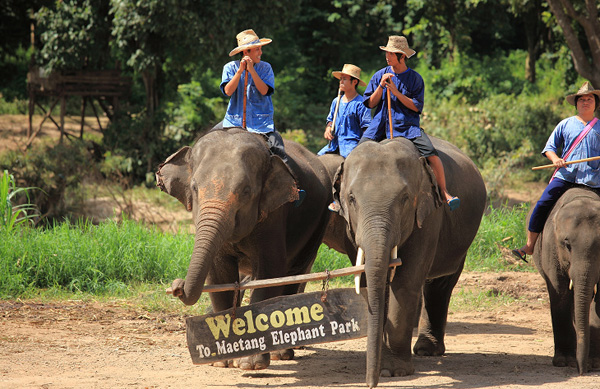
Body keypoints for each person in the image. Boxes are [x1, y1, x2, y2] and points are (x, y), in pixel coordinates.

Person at [360, 35, 460, 210]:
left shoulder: (415, 79)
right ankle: (342, 196)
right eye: (387, 53)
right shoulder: (379, 75)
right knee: (357, 153)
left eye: (391, 54)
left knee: (432, 154)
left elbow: (416, 106)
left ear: (402, 56)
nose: (387, 56)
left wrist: (396, 93)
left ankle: (444, 192)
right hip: (380, 126)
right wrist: (381, 87)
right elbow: (370, 103)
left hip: (407, 126)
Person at [512, 81, 600, 262]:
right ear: (576, 104)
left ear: (595, 103)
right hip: (566, 175)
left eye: (589, 98)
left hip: (594, 178)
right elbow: (550, 148)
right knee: (543, 203)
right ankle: (529, 246)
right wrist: (555, 159)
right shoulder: (565, 124)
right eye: (581, 99)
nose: (585, 102)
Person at [220, 29, 305, 205]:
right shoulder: (230, 68)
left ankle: (292, 190)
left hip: (261, 123)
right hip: (233, 121)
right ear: (246, 52)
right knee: (207, 143)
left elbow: (264, 90)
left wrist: (251, 70)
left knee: (279, 150)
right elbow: (228, 91)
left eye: (260, 49)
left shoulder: (265, 68)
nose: (261, 52)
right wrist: (241, 72)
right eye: (257, 49)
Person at [318, 63, 372, 158]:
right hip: (333, 145)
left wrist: (364, 149)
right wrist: (328, 128)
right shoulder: (336, 101)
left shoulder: (361, 103)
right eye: (340, 79)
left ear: (354, 82)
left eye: (344, 79)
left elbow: (366, 128)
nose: (341, 82)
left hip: (351, 147)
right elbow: (330, 120)